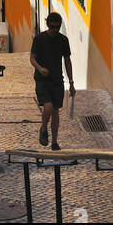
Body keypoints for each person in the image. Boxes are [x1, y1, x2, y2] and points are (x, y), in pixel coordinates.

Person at [30, 12, 75, 150]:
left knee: (55, 111)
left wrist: (71, 82)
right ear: (48, 25)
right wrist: (40, 68)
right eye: (53, 27)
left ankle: (54, 141)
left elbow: (67, 60)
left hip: (57, 80)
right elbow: (32, 58)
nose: (55, 30)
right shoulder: (39, 39)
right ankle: (44, 129)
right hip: (42, 80)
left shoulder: (63, 40)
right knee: (48, 107)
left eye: (57, 27)